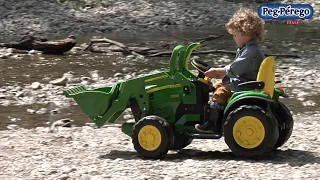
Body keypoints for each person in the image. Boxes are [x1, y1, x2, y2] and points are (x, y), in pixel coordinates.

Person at [195, 8, 266, 133]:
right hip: (244, 81)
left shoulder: (251, 52)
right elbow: (237, 68)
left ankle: (212, 125)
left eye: (235, 35)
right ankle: (210, 112)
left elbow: (234, 70)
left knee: (219, 93)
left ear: (246, 33)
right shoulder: (247, 48)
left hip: (244, 85)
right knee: (216, 85)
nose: (233, 38)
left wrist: (216, 71)